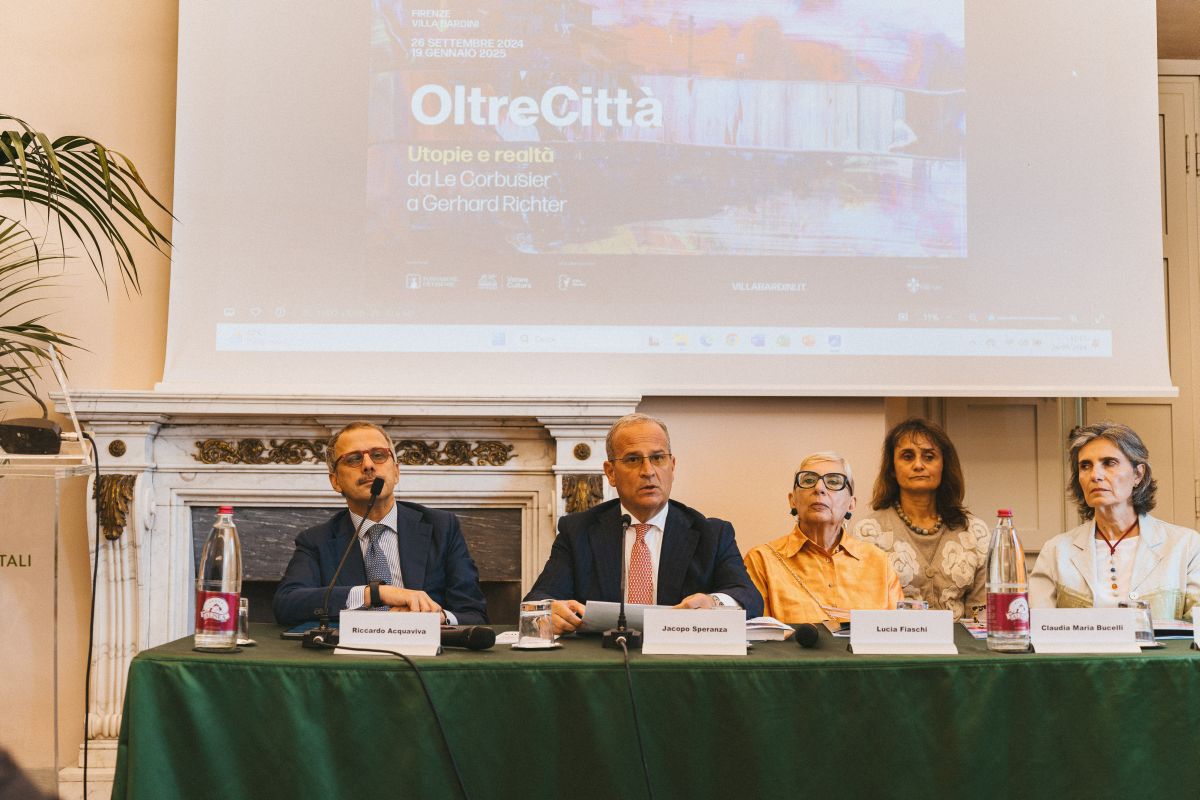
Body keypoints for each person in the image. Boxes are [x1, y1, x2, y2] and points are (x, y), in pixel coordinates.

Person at [525, 413, 763, 633]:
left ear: (672, 466)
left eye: (658, 458)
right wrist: (550, 610)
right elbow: (538, 599)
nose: (648, 471)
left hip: (679, 656)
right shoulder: (578, 531)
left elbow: (749, 599)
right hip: (604, 657)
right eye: (633, 459)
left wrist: (713, 602)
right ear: (611, 473)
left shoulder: (712, 534)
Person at [273, 421, 488, 626]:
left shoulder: (442, 528)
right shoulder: (317, 541)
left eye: (378, 455)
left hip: (425, 647)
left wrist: (435, 619)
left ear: (396, 471)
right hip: (353, 650)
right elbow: (287, 604)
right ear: (335, 481)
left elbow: (474, 613)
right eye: (354, 459)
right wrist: (374, 593)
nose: (368, 465)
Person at [1030, 422, 1200, 620]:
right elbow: (1038, 627)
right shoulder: (1056, 551)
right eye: (1085, 466)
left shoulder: (1186, 545)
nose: (1095, 475)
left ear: (1138, 474)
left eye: (1109, 463)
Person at [850, 418, 990, 620]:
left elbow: (982, 618)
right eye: (907, 457)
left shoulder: (975, 532)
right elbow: (867, 615)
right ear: (892, 468)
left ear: (943, 465)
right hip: (894, 638)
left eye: (929, 457)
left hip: (961, 640)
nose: (918, 465)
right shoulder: (869, 533)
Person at [744, 452, 901, 623]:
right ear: (793, 500)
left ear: (851, 504)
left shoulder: (879, 563)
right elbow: (759, 634)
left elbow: (899, 631)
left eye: (833, 482)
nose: (819, 488)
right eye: (808, 480)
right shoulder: (762, 560)